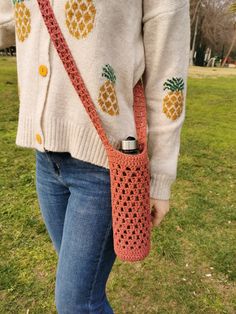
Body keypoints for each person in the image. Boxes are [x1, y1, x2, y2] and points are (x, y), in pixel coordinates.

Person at [0, 0, 190, 313]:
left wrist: (160, 177)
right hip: (46, 160)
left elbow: (168, 72)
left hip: (106, 167)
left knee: (77, 302)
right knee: (81, 291)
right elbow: (11, 20)